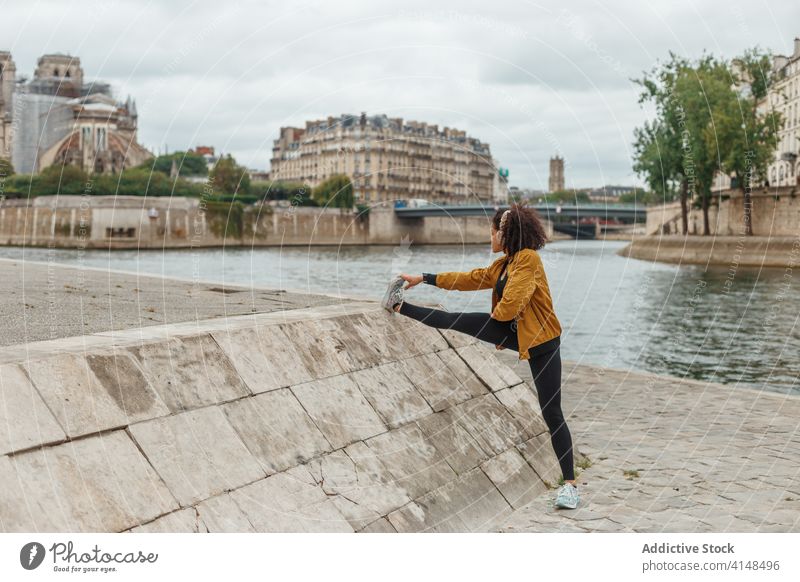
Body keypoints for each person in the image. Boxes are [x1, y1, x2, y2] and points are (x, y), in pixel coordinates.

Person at [380, 203, 579, 509]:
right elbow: (469, 279)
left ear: (505, 232)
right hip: (513, 330)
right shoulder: (504, 265)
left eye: (493, 229)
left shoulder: (528, 260)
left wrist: (495, 322)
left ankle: (570, 486)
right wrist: (426, 277)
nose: (490, 235)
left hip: (543, 341)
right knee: (455, 319)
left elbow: (511, 306)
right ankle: (398, 305)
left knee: (552, 413)